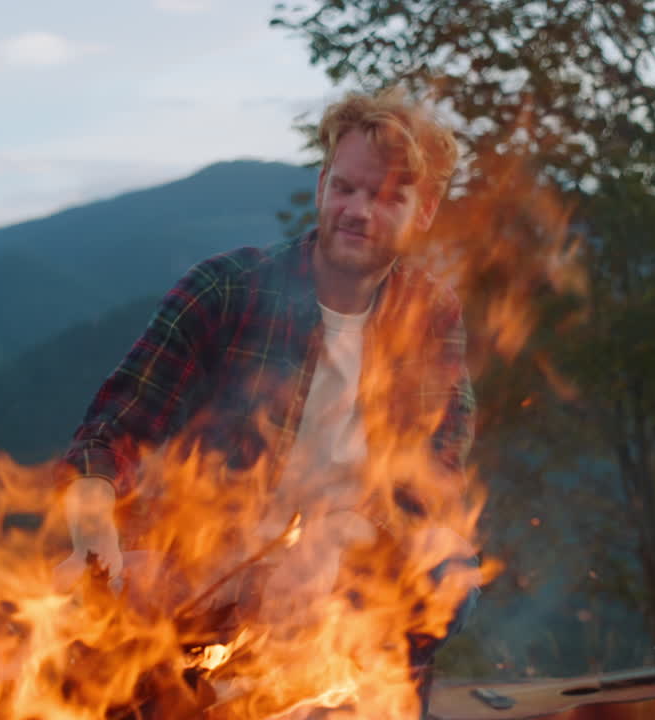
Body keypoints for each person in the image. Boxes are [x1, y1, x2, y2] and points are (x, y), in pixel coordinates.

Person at [55, 86, 479, 718]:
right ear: (321, 186)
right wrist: (96, 546)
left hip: (349, 568)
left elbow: (435, 476)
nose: (359, 211)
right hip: (210, 563)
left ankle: (381, 700)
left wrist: (337, 545)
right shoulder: (228, 291)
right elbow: (108, 435)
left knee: (446, 564)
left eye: (389, 196)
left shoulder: (430, 313)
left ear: (424, 211)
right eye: (346, 188)